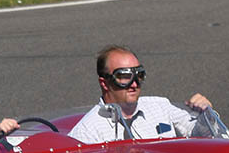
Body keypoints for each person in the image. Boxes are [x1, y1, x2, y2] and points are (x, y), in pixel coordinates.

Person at [68, 45, 212, 144]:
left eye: (139, 75)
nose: (134, 84)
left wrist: (206, 115)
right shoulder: (87, 131)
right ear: (104, 83)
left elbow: (200, 135)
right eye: (124, 76)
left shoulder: (160, 106)